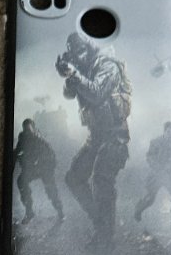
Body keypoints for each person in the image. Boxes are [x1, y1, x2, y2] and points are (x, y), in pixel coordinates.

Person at [55, 32, 131, 242]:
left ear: (90, 48)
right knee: (74, 178)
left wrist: (75, 73)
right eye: (75, 53)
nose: (79, 56)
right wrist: (69, 74)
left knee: (101, 179)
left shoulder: (108, 65)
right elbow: (69, 94)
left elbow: (97, 93)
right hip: (96, 137)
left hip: (115, 137)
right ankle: (100, 222)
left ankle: (105, 237)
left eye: (81, 51)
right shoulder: (84, 67)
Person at [135, 121, 171, 232]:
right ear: (164, 131)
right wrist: (158, 167)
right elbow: (149, 157)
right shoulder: (155, 142)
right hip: (155, 176)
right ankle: (138, 209)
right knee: (150, 199)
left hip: (168, 176)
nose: (170, 134)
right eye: (168, 131)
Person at [13, 118, 62, 223]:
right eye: (25, 130)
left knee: (51, 189)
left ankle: (60, 211)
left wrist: (48, 169)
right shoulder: (22, 139)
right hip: (32, 169)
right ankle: (29, 212)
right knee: (21, 181)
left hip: (44, 168)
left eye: (29, 130)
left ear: (34, 129)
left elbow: (51, 156)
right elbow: (17, 152)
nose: (27, 133)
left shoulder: (40, 140)